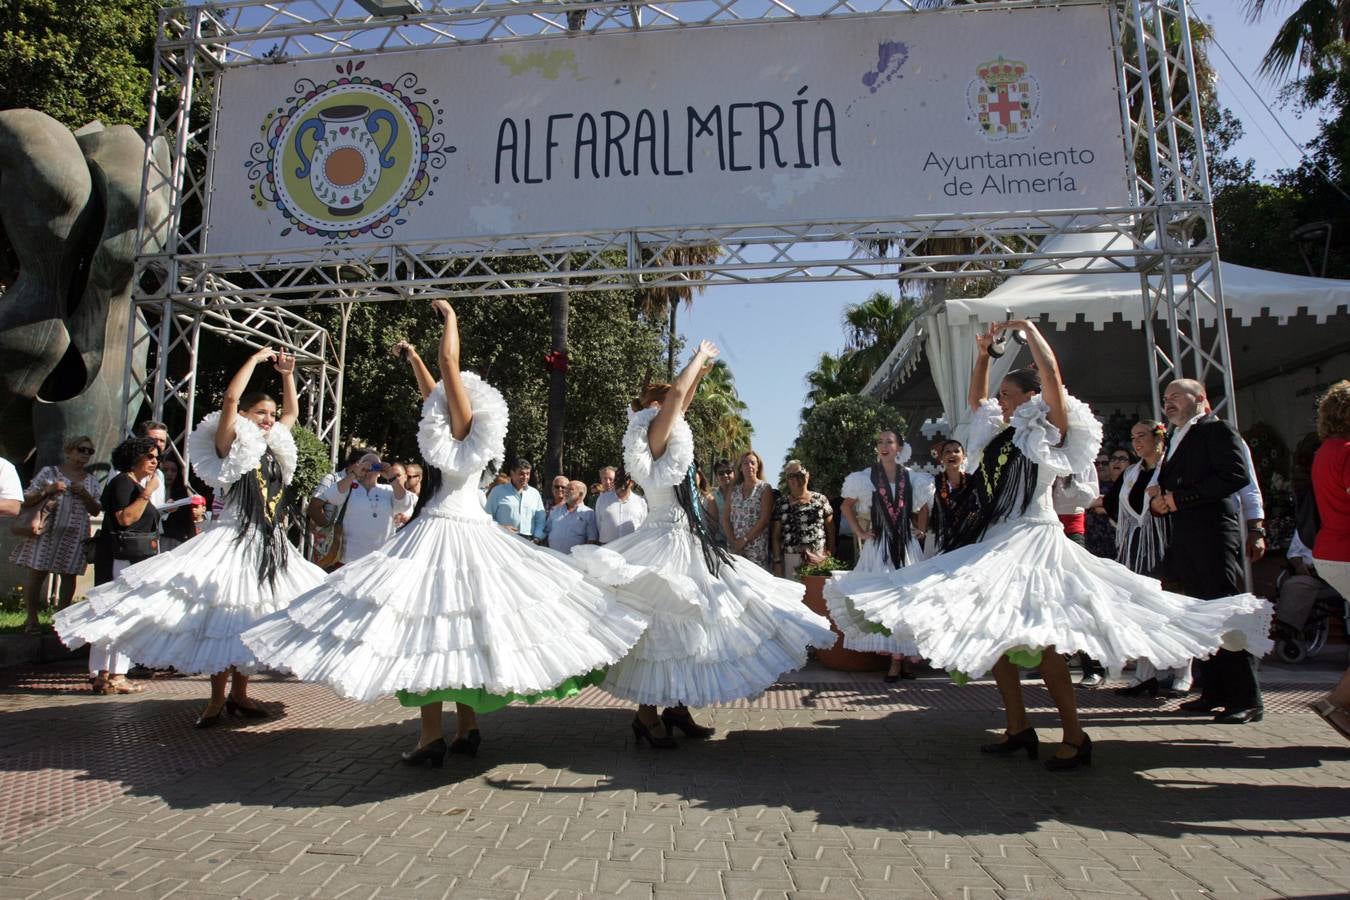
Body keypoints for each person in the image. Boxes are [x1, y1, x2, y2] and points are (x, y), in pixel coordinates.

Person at [828, 321, 1271, 769]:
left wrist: (1026, 331)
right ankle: (1018, 727)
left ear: (1027, 396)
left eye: (1007, 393)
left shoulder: (1051, 429)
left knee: (1045, 644)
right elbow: (975, 400)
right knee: (996, 637)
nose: (998, 400)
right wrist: (984, 354)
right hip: (996, 540)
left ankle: (1076, 736)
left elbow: (1053, 376)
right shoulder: (999, 434)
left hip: (1035, 542)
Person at [242, 301, 647, 766]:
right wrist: (415, 360)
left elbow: (449, 366)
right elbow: (435, 390)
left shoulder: (465, 428)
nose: (444, 398)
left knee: (429, 630)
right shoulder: (458, 430)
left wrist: (452, 317)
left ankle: (432, 736)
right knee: (458, 629)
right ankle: (467, 727)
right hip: (460, 527)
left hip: (445, 529)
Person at [571, 343, 835, 748]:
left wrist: (698, 377)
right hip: (664, 539)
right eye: (666, 404)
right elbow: (677, 398)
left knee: (691, 628)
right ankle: (646, 717)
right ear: (654, 407)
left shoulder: (666, 432)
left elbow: (682, 401)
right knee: (664, 627)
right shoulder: (653, 435)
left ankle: (676, 709)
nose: (676, 410)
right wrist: (695, 358)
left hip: (684, 537)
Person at [54, 348, 327, 726]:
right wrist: (254, 359)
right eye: (260, 413)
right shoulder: (230, 443)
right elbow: (230, 398)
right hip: (233, 540)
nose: (268, 419)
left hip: (268, 542)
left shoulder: (273, 446)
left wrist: (287, 376)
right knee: (221, 617)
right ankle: (217, 698)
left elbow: (292, 414)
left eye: (270, 413)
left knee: (253, 616)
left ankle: (240, 694)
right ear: (246, 417)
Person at [1152, 379, 1267, 725]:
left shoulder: (1218, 431)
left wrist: (1179, 498)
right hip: (1188, 535)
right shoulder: (1176, 437)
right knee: (1200, 615)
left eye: (1176, 397)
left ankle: (1247, 697)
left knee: (1226, 611)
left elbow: (1235, 477)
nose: (1169, 403)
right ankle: (1213, 689)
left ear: (1200, 398)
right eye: (1166, 398)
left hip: (1214, 534)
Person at [827, 432, 933, 683]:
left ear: (899, 448)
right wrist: (860, 532)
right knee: (887, 601)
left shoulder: (913, 478)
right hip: (880, 545)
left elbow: (924, 507)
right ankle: (896, 662)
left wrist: (921, 530)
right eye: (880, 442)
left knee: (908, 600)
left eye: (889, 442)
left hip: (906, 545)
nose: (883, 446)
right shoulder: (865, 477)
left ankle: (904, 659)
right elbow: (845, 506)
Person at [1112, 420, 1188, 699]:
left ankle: (1182, 673)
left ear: (1160, 438)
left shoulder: (1170, 469)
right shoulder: (1132, 473)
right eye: (1133, 437)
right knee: (1142, 611)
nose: (1137, 442)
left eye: (1142, 436)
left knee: (1171, 609)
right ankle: (1145, 675)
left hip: (1166, 548)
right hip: (1135, 550)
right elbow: (1115, 507)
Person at [84, 436, 163, 694]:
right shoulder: (122, 482)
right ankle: (114, 675)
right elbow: (126, 518)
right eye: (149, 456)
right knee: (120, 614)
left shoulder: (130, 483)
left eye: (156, 457)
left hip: (128, 559)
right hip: (121, 558)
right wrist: (148, 493)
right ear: (135, 457)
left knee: (111, 614)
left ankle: (103, 675)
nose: (154, 462)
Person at [11, 436, 101, 633]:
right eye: (81, 449)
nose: (85, 454)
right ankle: (32, 619)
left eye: (89, 451)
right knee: (37, 574)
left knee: (69, 576)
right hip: (46, 531)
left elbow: (96, 510)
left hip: (75, 533)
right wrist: (48, 489)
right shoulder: (50, 472)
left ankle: (60, 621)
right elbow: (25, 499)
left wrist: (84, 494)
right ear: (69, 451)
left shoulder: (92, 481)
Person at [1308, 381, 1350, 741]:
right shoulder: (1347, 451)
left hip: (1331, 550)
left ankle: (1338, 703)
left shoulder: (1326, 451)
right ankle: (1337, 702)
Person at [318, 451, 414, 565]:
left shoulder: (388, 490)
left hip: (381, 559)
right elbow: (332, 497)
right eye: (366, 463)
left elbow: (405, 504)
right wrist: (354, 474)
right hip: (350, 559)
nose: (370, 467)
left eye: (375, 465)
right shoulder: (349, 486)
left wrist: (392, 478)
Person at [772, 461, 834, 579]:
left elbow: (831, 530)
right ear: (787, 479)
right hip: (791, 558)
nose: (796, 478)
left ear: (807, 475)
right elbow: (775, 535)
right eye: (791, 476)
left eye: (800, 474)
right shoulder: (781, 503)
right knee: (792, 595)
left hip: (818, 557)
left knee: (816, 595)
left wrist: (829, 555)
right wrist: (777, 562)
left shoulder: (821, 499)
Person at [723, 450, 774, 569]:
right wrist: (734, 542)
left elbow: (764, 519)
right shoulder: (733, 490)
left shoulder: (764, 488)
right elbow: (725, 518)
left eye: (752, 463)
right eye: (745, 463)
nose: (749, 466)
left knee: (755, 584)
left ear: (758, 467)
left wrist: (744, 540)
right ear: (740, 468)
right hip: (735, 546)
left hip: (756, 547)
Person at [486, 458, 546, 541]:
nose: (525, 477)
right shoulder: (498, 491)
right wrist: (500, 527)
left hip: (529, 540)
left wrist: (537, 538)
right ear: (512, 473)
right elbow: (487, 516)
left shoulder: (534, 493)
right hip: (504, 538)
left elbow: (540, 519)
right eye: (521, 474)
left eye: (528, 474)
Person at [155, 456, 203, 552]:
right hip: (156, 538)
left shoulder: (183, 494)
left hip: (176, 540)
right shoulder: (154, 492)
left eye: (174, 471)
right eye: (165, 470)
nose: (169, 474)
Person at [595, 466, 648, 545]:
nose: (620, 484)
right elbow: (598, 523)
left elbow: (643, 524)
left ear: (632, 482)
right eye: (617, 480)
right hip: (607, 548)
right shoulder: (602, 499)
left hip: (632, 548)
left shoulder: (640, 501)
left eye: (624, 481)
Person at [544, 479, 599, 554]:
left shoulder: (589, 513)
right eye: (566, 488)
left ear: (580, 494)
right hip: (553, 558)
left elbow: (592, 539)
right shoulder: (555, 510)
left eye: (570, 489)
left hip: (574, 561)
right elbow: (547, 531)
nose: (565, 491)